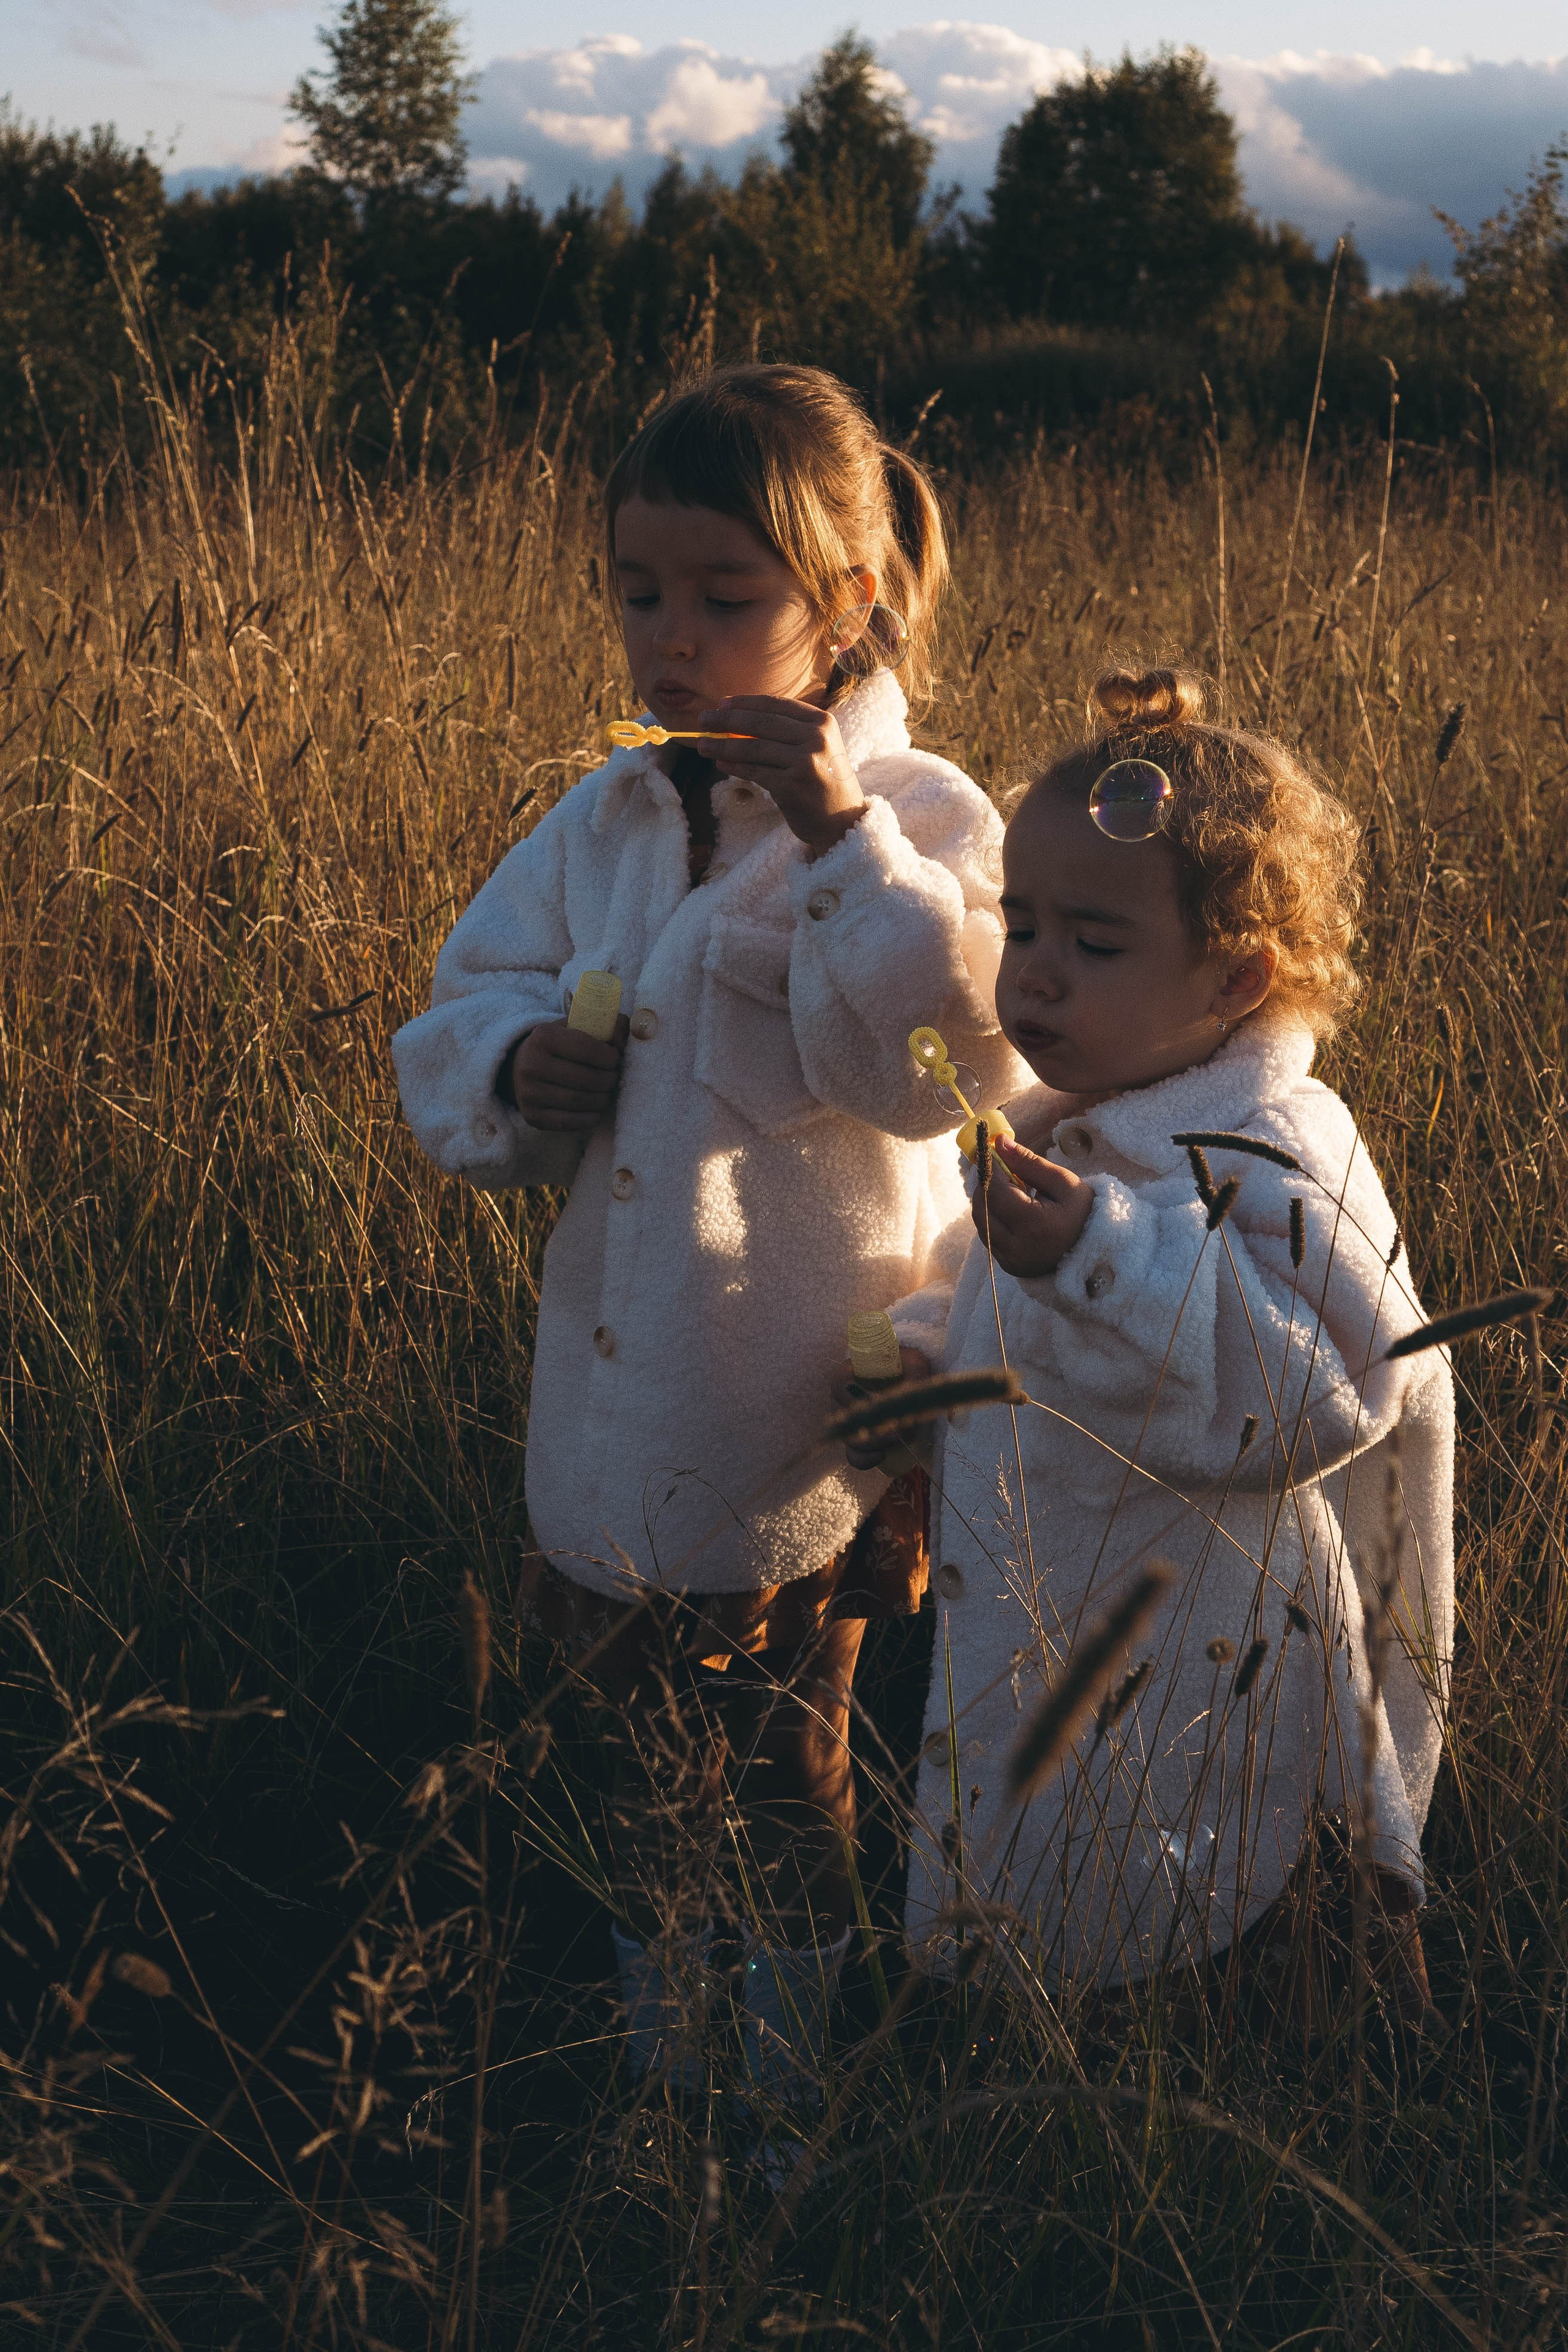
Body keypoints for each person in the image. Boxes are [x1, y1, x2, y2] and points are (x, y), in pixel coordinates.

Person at [392, 364, 1026, 2115]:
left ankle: (785, 2113)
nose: (670, 638)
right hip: (612, 1403)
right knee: (625, 1750)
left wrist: (840, 840)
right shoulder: (608, 815)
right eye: (638, 593)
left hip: (787, 1417)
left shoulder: (933, 821)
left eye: (723, 600)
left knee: (783, 1760)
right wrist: (526, 1063)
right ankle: (665, 2076)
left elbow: (947, 1074)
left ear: (850, 605)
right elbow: (462, 1005)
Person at [848, 666, 1454, 2028]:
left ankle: (1239, 2089)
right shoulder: (1082, 1116)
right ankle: (1041, 2063)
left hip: (1209, 1639)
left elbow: (1323, 1392)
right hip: (1051, 1597)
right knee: (1057, 1851)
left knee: (1205, 1902)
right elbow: (986, 1289)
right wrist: (930, 1355)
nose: (1035, 971)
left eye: (1095, 943)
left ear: (1233, 976)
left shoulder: (1268, 1151)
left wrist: (1098, 1258)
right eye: (1022, 924)